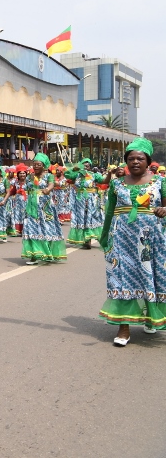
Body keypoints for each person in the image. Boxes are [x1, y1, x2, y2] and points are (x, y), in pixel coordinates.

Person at [98, 138, 166, 346]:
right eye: (131, 158)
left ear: (148, 161)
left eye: (140, 158)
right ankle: (124, 328)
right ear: (126, 162)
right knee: (121, 278)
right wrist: (105, 237)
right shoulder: (117, 184)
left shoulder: (160, 182)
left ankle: (151, 318)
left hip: (151, 240)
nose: (135, 162)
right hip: (121, 239)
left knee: (151, 277)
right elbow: (110, 211)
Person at [21, 153, 67, 265]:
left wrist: (48, 189)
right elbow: (26, 189)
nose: (35, 166)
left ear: (44, 165)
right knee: (31, 229)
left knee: (47, 229)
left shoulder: (48, 176)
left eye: (38, 164)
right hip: (31, 207)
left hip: (45, 207)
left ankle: (48, 252)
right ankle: (34, 255)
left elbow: (51, 184)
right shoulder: (29, 177)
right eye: (34, 164)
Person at [65, 158, 104, 249]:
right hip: (79, 201)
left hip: (91, 201)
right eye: (84, 165)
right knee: (82, 219)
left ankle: (88, 239)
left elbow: (103, 180)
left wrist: (110, 174)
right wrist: (74, 168)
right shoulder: (76, 175)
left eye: (87, 166)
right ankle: (84, 239)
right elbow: (66, 174)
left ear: (90, 167)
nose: (85, 167)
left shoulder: (94, 175)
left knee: (90, 218)